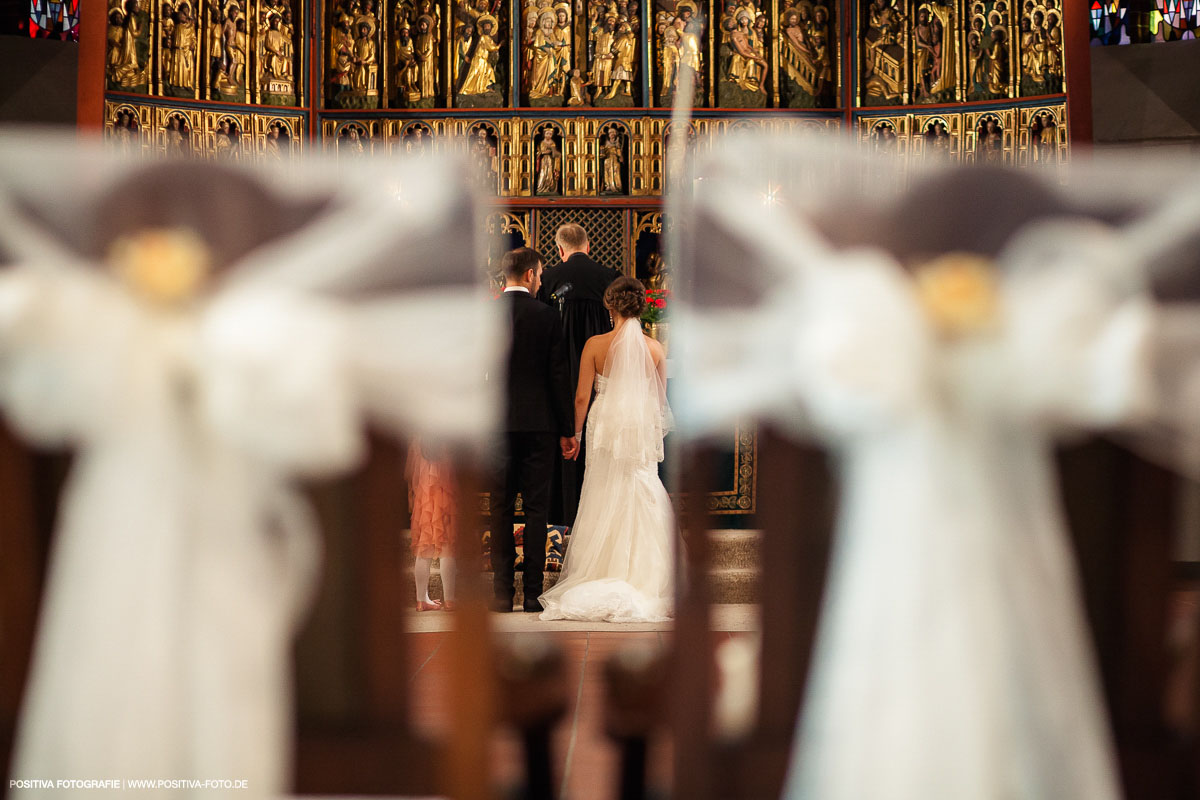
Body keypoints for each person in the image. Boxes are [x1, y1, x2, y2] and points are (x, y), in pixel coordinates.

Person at [539, 277, 673, 622]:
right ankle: (647, 575)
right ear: (640, 306)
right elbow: (659, 402)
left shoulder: (595, 345)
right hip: (638, 427)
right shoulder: (656, 349)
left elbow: (582, 397)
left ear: (609, 306)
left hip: (605, 425)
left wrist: (575, 435)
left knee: (603, 488)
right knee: (641, 487)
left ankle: (602, 568)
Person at [492, 247, 577, 612]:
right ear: (529, 275)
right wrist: (567, 430)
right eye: (540, 274)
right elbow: (559, 377)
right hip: (540, 425)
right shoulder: (546, 316)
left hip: (495, 425)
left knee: (499, 508)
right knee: (537, 510)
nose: (541, 280)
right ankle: (531, 595)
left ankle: (499, 595)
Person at [536, 223, 621, 525]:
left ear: (560, 250)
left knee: (563, 449)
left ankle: (561, 520)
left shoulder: (548, 279)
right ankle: (598, 521)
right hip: (602, 375)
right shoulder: (609, 277)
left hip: (559, 378)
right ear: (589, 246)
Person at [407, 440, 457, 611]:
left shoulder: (418, 438)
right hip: (446, 495)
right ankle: (449, 600)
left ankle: (421, 600)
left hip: (425, 498)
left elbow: (411, 473)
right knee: (447, 547)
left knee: (423, 548)